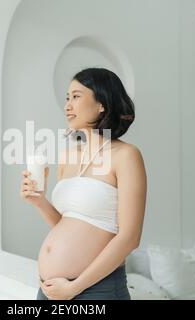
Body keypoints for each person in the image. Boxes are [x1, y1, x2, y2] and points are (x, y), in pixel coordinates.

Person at [20, 67, 147, 300]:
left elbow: (130, 238)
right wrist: (39, 202)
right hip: (51, 290)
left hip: (95, 290)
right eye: (67, 98)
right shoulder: (68, 156)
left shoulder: (126, 155)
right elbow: (67, 224)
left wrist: (74, 288)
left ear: (102, 104)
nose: (68, 105)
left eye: (76, 96)